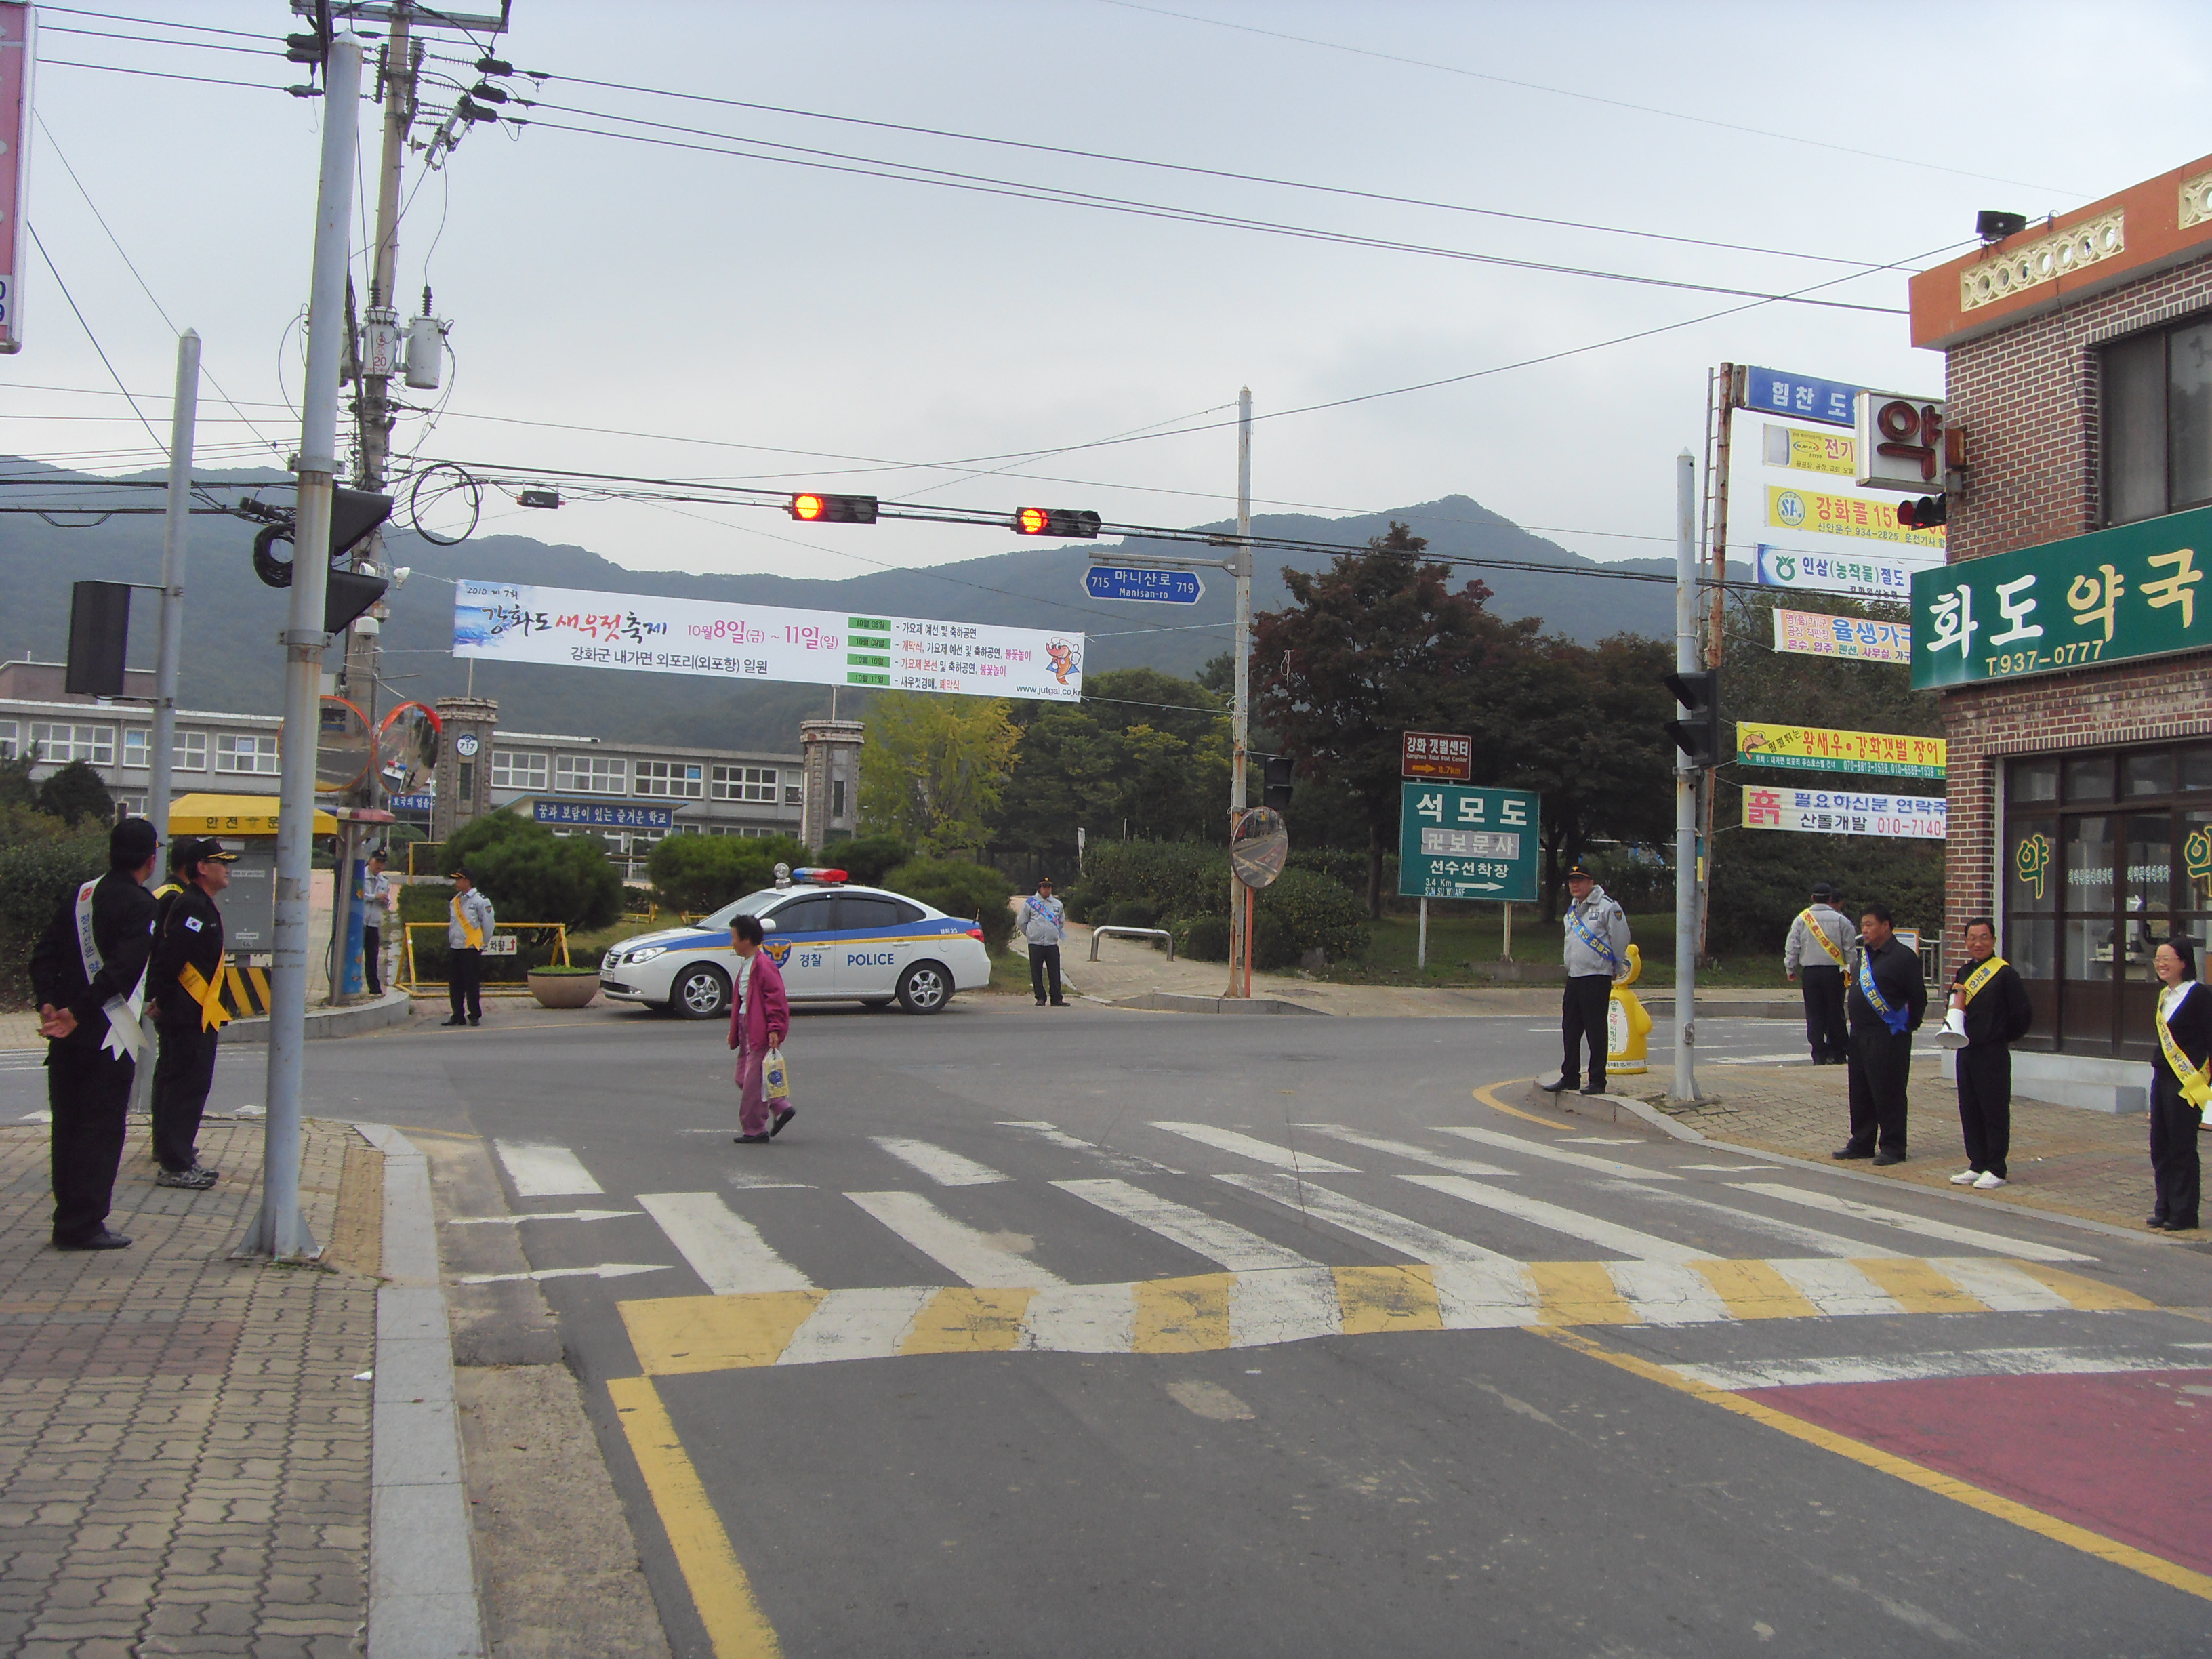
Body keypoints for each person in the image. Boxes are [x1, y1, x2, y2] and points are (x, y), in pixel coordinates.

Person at [29, 817, 161, 1250]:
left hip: (65, 1036)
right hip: (107, 1034)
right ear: (150, 859)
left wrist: (49, 1002)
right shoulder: (141, 905)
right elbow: (123, 970)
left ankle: (67, 1215)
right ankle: (84, 1224)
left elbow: (43, 954)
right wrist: (78, 1012)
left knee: (67, 1126)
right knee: (99, 1129)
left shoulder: (81, 895)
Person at [148, 836, 239, 1190]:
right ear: (202, 868)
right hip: (186, 1014)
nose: (227, 869)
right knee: (184, 1086)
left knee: (191, 1085)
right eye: (221, 863)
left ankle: (181, 1155)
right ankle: (174, 1164)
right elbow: (172, 957)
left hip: (197, 1012)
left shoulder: (201, 903)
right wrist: (160, 998)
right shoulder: (191, 906)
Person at [1945, 917, 2033, 1191]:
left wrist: (2000, 1036)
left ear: (1994, 940)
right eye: (1972, 938)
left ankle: (1996, 1167)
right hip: (1966, 1050)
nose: (1978, 943)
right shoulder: (1963, 972)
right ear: (1965, 942)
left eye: (1984, 937)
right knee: (1970, 1108)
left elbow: (2023, 1015)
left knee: (1993, 1109)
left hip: (1993, 1052)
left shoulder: (2005, 974)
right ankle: (1977, 1163)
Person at [1835, 901, 1927, 1166]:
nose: (1864, 930)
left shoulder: (1903, 957)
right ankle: (1862, 1142)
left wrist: (1909, 1025)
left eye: (1869, 925)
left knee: (1889, 1091)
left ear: (1886, 926)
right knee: (1861, 1090)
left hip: (1888, 1035)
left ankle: (1893, 1146)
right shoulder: (1865, 956)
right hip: (1860, 1034)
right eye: (1863, 925)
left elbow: (1917, 997)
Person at [1542, 863, 1630, 1097]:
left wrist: (1616, 966)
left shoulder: (1608, 907)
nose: (1575, 885)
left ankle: (1597, 1080)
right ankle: (1570, 1076)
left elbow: (1620, 937)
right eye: (1572, 881)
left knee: (1595, 1029)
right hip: (1575, 977)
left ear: (1591, 882)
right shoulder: (1572, 911)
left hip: (1596, 976)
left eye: (1580, 880)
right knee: (1570, 1029)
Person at [2147, 935, 2208, 1233]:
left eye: (2166, 959)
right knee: (2160, 1144)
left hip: (2188, 1082)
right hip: (2162, 1077)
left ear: (2183, 962)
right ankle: (2164, 1207)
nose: (2161, 964)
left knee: (2182, 1146)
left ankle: (2184, 1213)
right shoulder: (2164, 996)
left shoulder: (2199, 996)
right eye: (2158, 959)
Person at [726, 914, 793, 1143]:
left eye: (734, 938)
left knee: (752, 1083)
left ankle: (755, 1129)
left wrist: (774, 1029)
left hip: (760, 1029)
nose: (732, 943)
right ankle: (780, 1105)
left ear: (746, 940)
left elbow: (776, 1000)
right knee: (743, 1077)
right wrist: (735, 1030)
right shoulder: (748, 964)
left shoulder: (763, 965)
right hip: (747, 1025)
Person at [1784, 882, 1853, 1065]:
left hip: (1811, 973)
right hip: (1835, 972)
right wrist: (1850, 972)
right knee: (1836, 1012)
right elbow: (1850, 950)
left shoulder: (1801, 919)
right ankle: (1838, 1052)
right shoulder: (1842, 920)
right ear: (1830, 898)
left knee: (1815, 1014)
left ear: (1812, 898)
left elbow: (1793, 946)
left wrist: (1791, 969)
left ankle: (1819, 1053)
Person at [444, 867, 495, 1028]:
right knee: (455, 983)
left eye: (459, 879)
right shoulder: (455, 901)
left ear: (467, 881)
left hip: (471, 948)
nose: (456, 883)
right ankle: (457, 1014)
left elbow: (488, 925)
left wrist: (482, 944)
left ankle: (474, 1014)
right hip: (456, 947)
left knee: (471, 983)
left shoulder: (480, 901)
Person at [1021, 877, 1068, 1008]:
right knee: (1036, 971)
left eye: (1049, 887)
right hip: (1035, 943)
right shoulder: (1030, 903)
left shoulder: (1057, 904)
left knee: (1055, 971)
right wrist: (1031, 934)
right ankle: (1040, 997)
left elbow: (1061, 922)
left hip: (1052, 944)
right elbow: (1022, 922)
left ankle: (1056, 998)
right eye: (1044, 887)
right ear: (1039, 889)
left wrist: (1054, 933)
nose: (1047, 890)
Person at [361, 848, 392, 997]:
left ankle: (374, 988)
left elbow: (386, 903)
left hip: (373, 923)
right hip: (360, 922)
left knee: (372, 956)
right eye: (377, 861)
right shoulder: (360, 876)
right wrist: (375, 896)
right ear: (370, 860)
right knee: (355, 954)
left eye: (382, 863)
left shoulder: (384, 881)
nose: (379, 865)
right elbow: (359, 895)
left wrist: (385, 901)